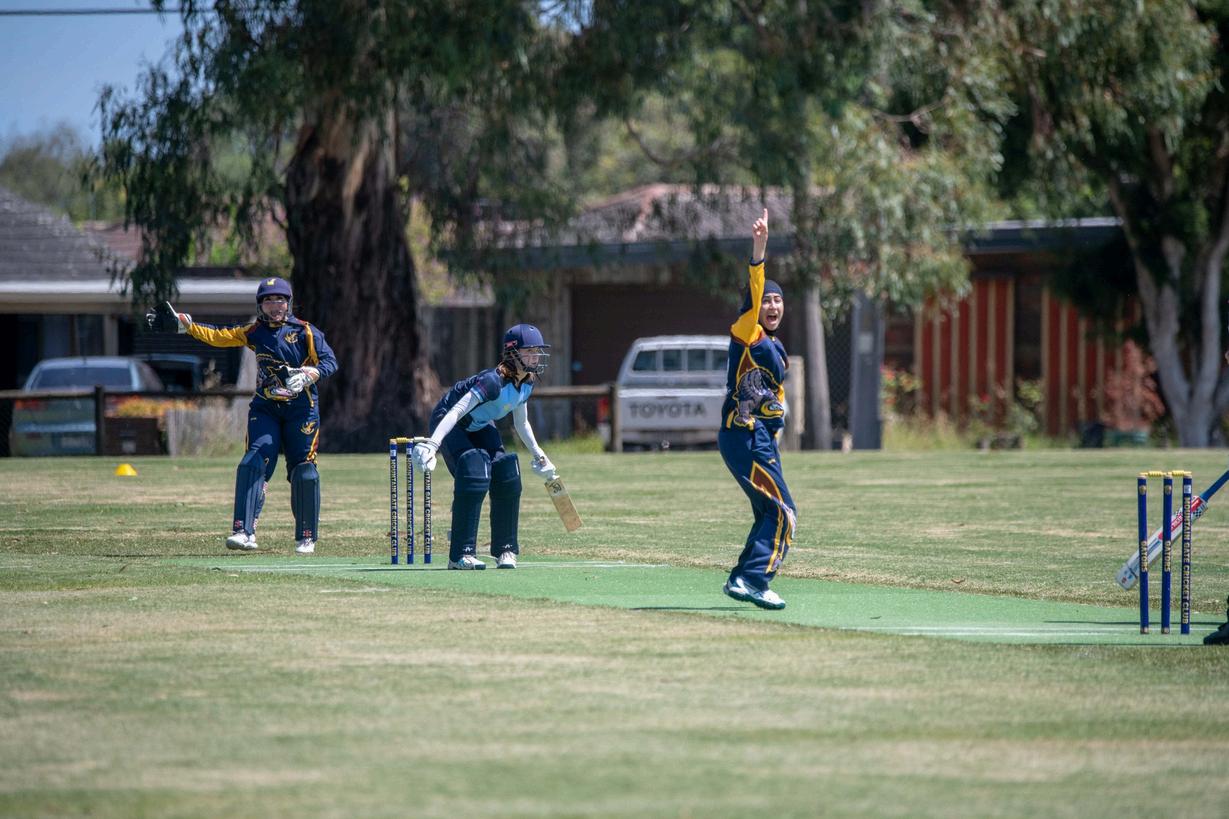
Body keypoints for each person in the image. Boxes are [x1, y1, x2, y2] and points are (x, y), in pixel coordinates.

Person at [147, 276, 338, 555]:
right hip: (266, 408)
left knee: (305, 471)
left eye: (280, 300)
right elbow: (219, 335)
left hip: (302, 411)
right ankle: (244, 531)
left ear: (289, 303)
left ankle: (306, 537)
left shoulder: (305, 332)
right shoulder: (254, 331)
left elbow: (330, 361)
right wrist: (186, 325)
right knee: (253, 462)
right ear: (260, 305)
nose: (275, 306)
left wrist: (311, 373)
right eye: (268, 301)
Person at [411, 324, 559, 570]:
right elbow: (456, 410)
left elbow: (521, 423)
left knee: (506, 473)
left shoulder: (527, 382)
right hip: (451, 419)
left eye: (537, 351)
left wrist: (539, 455)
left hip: (480, 424)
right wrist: (432, 444)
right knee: (474, 468)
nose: (535, 357)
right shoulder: (492, 381)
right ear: (512, 353)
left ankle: (505, 549)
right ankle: (460, 555)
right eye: (529, 351)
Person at [717, 208, 797, 610]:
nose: (773, 305)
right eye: (767, 300)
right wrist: (760, 248)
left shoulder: (777, 347)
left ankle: (740, 579)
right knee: (784, 512)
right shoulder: (747, 330)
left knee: (769, 510)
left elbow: (774, 400)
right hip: (743, 436)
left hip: (758, 439)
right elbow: (755, 284)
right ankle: (754, 579)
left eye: (779, 300)